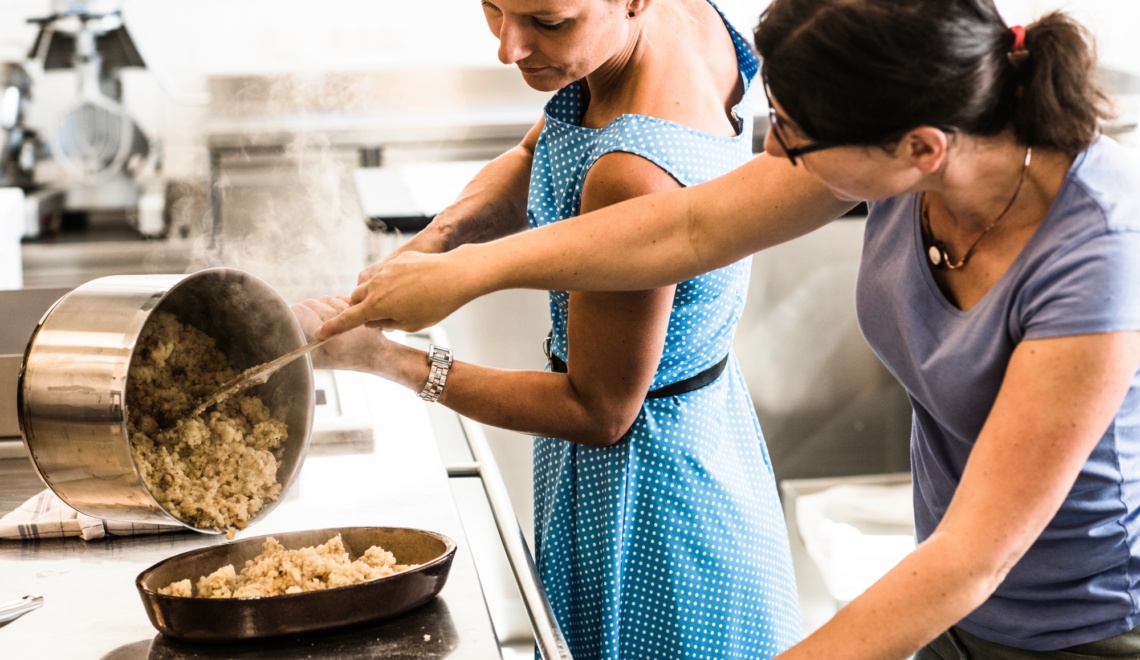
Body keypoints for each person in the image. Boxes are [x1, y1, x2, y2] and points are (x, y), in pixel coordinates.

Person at [315, 0, 1140, 657]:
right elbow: (689, 227)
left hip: (1082, 627)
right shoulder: (913, 135)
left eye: (791, 137)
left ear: (919, 149)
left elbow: (971, 557)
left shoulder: (1098, 257)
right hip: (954, 606)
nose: (772, 149)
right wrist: (463, 268)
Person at [295, 0, 804, 657]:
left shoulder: (633, 173)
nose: (510, 48)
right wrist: (432, 244)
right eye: (493, 8)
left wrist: (389, 361)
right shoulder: (675, 23)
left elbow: (597, 410)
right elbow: (538, 149)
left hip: (647, 511)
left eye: (547, 22)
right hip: (708, 442)